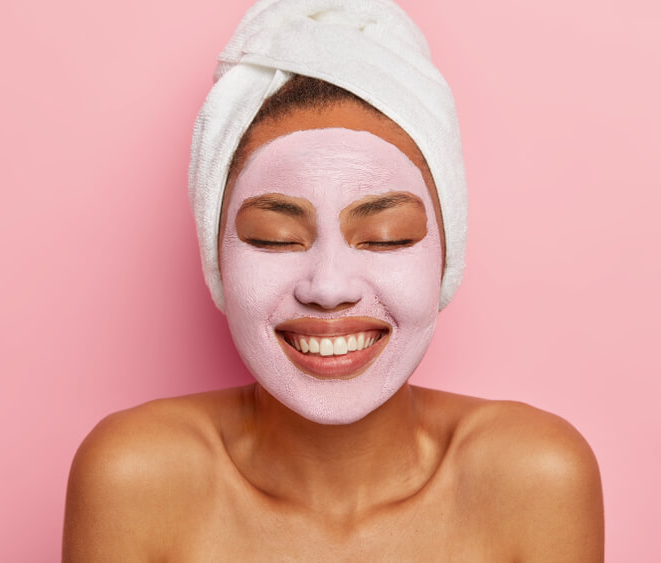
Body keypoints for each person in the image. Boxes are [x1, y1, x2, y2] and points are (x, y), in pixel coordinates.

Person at [63, 1, 604, 561]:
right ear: (216, 258)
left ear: (447, 256)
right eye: (274, 237)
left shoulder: (534, 479)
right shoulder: (136, 478)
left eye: (387, 235)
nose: (328, 286)